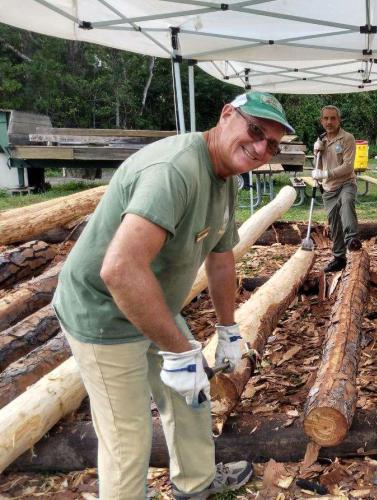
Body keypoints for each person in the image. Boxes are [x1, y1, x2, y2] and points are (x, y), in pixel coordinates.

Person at [52, 91, 295, 499]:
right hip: (102, 312)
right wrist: (179, 352)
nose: (260, 148)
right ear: (226, 115)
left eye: (271, 144)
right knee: (127, 435)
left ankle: (195, 483)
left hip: (153, 304)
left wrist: (229, 328)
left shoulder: (225, 177)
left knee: (191, 396)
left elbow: (221, 259)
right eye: (255, 131)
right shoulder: (175, 170)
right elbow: (119, 269)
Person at [312, 105, 361, 272]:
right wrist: (316, 152)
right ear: (321, 121)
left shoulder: (347, 138)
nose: (329, 122)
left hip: (346, 183)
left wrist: (325, 173)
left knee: (346, 202)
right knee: (334, 222)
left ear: (339, 120)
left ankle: (352, 240)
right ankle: (339, 257)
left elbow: (348, 166)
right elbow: (317, 167)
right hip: (328, 188)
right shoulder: (321, 141)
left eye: (333, 118)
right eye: (325, 118)